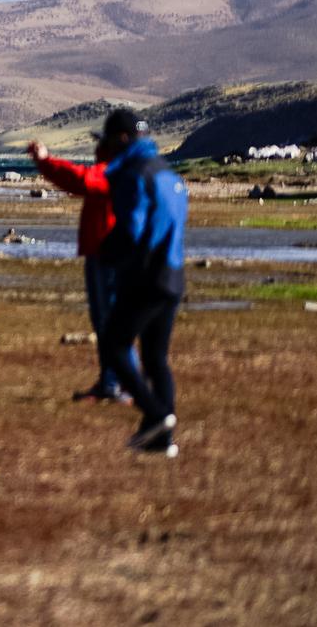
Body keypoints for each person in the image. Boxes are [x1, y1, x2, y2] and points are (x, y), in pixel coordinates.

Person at [92, 108, 188, 457]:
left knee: (115, 345)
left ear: (121, 139)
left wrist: (107, 253)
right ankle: (161, 440)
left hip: (147, 275)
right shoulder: (168, 174)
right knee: (155, 356)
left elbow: (131, 229)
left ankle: (157, 415)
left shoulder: (135, 175)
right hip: (173, 274)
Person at [27, 134, 130, 403]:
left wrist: (46, 161)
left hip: (107, 253)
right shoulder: (123, 171)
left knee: (110, 321)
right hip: (109, 251)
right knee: (110, 321)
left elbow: (80, 179)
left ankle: (117, 384)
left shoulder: (112, 172)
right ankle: (117, 382)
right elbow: (78, 183)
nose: (96, 149)